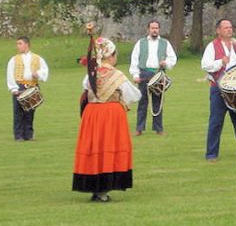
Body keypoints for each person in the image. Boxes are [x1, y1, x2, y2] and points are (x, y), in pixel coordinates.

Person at [73, 36, 140, 202]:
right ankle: (103, 188)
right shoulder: (116, 75)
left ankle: (94, 186)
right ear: (110, 55)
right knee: (109, 147)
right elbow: (134, 95)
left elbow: (85, 89)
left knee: (95, 148)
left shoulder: (91, 74)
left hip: (92, 114)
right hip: (110, 116)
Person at [200, 18, 236, 161]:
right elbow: (205, 65)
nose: (229, 30)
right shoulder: (212, 46)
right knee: (216, 122)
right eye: (225, 28)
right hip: (218, 89)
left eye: (230, 27)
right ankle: (211, 154)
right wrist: (220, 62)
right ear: (218, 31)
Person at [129, 19, 178, 136]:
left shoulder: (165, 43)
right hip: (144, 74)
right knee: (142, 102)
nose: (154, 30)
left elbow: (173, 58)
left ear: (159, 30)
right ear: (148, 29)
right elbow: (134, 59)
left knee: (158, 102)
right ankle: (139, 128)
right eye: (152, 28)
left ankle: (158, 129)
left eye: (156, 28)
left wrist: (165, 63)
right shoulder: (140, 43)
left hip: (159, 75)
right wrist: (135, 75)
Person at [6, 36, 49, 141]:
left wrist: (38, 74)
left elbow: (45, 70)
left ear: (26, 44)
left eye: (20, 43)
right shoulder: (14, 59)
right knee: (18, 112)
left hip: (32, 86)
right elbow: (10, 74)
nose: (18, 46)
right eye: (17, 44)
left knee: (30, 112)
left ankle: (28, 134)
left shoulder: (37, 58)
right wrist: (13, 88)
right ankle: (19, 135)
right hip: (19, 86)